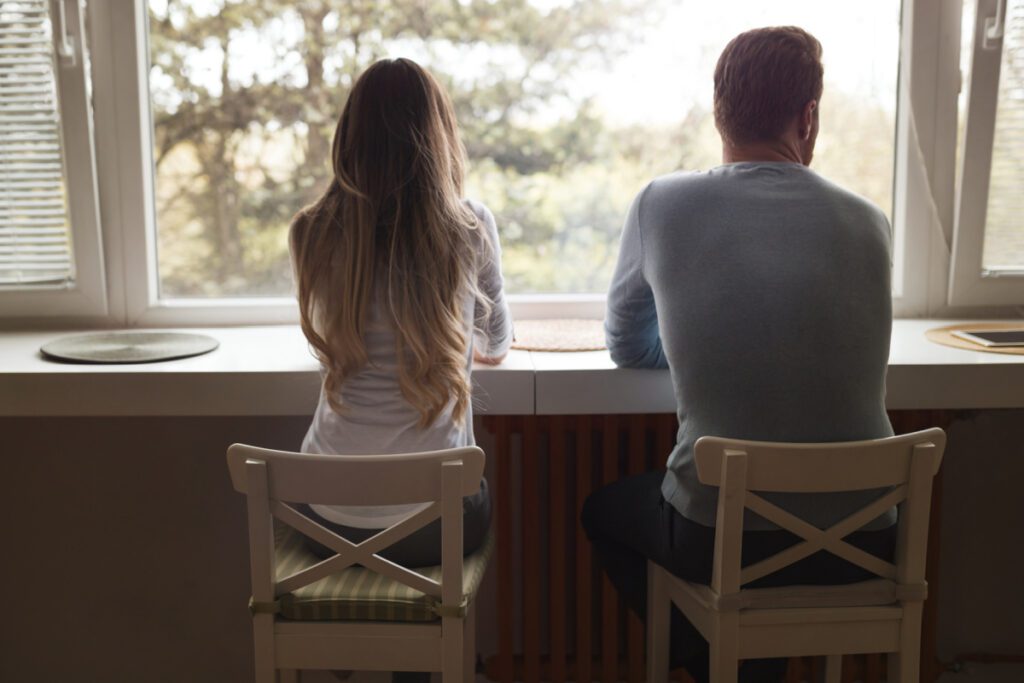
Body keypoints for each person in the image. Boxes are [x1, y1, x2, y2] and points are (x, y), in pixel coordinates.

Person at [583, 26, 896, 683]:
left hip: (722, 537)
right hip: (866, 539)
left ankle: (710, 661)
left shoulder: (662, 202)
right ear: (807, 119)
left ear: (720, 112)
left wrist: (707, 343)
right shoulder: (871, 220)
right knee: (769, 532)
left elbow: (624, 343)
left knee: (605, 512)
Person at [289, 57, 512, 683]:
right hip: (432, 524)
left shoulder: (311, 232)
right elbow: (496, 341)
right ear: (438, 137)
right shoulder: (469, 228)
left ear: (347, 139)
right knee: (469, 498)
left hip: (324, 516)